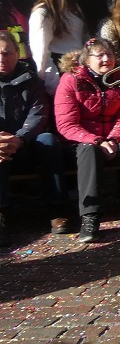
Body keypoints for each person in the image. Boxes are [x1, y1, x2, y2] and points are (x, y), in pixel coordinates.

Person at [53, 37, 120, 243]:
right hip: (81, 140)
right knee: (88, 150)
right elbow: (66, 124)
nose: (106, 59)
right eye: (100, 55)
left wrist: (112, 138)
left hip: (113, 136)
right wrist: (97, 141)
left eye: (109, 54)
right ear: (86, 59)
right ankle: (90, 216)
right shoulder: (71, 80)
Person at [0, 31, 69, 244]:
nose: (2, 59)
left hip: (27, 143)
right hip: (1, 145)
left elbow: (38, 114)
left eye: (7, 53)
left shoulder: (31, 79)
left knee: (48, 140)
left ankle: (57, 209)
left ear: (17, 54)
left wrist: (19, 138)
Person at [29, 0, 87, 94]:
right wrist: (55, 86)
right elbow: (41, 55)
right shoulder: (43, 13)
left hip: (81, 69)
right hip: (60, 73)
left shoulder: (75, 7)